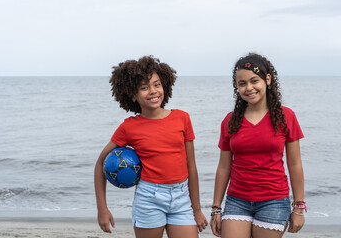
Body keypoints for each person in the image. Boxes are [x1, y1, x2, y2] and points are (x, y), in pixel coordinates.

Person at [94, 55, 208, 238]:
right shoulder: (128, 127)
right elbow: (101, 162)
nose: (153, 91)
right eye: (144, 88)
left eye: (157, 84)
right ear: (132, 94)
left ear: (165, 85)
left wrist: (196, 209)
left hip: (181, 198)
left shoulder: (182, 118)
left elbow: (191, 166)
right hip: (149, 198)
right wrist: (102, 208)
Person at [210, 53, 305, 238]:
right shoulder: (230, 121)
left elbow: (295, 164)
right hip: (237, 200)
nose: (249, 88)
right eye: (242, 83)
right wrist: (216, 208)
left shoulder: (286, 116)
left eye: (254, 81)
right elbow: (223, 167)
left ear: (267, 79)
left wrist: (299, 207)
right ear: (236, 87)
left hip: (274, 201)